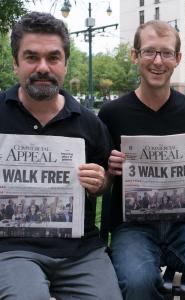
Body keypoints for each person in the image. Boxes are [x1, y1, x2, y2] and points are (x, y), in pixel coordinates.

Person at [98, 20, 185, 300]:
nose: (158, 61)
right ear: (135, 56)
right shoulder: (111, 113)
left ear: (178, 59)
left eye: (166, 53)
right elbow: (101, 182)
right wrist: (110, 169)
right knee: (136, 281)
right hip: (133, 226)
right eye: (149, 52)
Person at [0, 12, 122, 300]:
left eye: (53, 58)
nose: (43, 67)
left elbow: (107, 181)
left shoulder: (88, 122)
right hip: (11, 248)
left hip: (80, 251)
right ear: (16, 63)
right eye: (31, 57)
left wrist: (100, 180)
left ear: (65, 64)